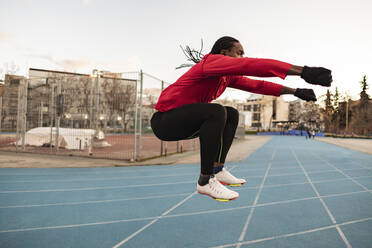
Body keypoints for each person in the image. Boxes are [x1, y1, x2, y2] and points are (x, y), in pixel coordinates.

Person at [151, 36, 332, 201]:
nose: (242, 57)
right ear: (224, 53)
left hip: (185, 122)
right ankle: (205, 180)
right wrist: (303, 71)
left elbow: (257, 85)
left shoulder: (225, 77)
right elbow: (250, 66)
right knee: (217, 111)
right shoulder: (211, 62)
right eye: (239, 53)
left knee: (231, 113)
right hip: (165, 121)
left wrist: (296, 91)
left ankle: (217, 169)